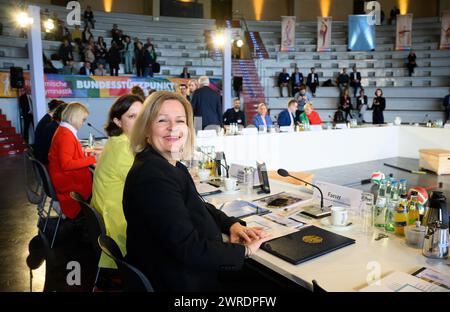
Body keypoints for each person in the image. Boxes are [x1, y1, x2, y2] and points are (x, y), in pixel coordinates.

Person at [123, 91, 270, 291]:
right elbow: (189, 249)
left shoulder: (169, 164)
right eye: (162, 120)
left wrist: (231, 225)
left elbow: (197, 205)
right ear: (147, 129)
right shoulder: (153, 176)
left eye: (180, 121)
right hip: (180, 281)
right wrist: (243, 251)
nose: (173, 128)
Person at [91, 95, 143, 270]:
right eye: (131, 116)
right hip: (119, 221)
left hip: (110, 212)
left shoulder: (117, 142)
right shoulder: (123, 148)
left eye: (141, 115)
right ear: (118, 121)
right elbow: (145, 184)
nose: (139, 121)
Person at [48, 102, 98, 220]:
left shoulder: (64, 130)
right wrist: (93, 159)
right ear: (74, 117)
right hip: (68, 182)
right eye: (83, 119)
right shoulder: (66, 135)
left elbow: (69, 154)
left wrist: (86, 154)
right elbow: (66, 164)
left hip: (64, 177)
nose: (83, 123)